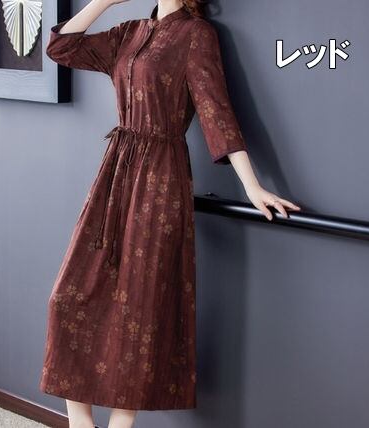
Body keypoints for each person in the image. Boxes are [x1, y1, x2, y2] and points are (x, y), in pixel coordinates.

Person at [39, 1, 301, 427]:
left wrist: (251, 186)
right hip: (115, 173)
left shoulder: (196, 35)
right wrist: (103, 2)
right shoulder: (128, 32)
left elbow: (217, 112)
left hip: (160, 180)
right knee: (67, 298)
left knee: (140, 309)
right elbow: (61, 48)